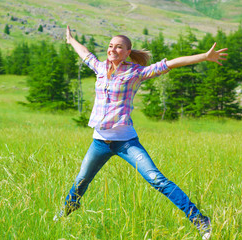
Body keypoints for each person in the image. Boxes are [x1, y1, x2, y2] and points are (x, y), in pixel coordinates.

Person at [54, 26, 228, 240]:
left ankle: (200, 220)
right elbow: (85, 53)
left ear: (128, 52)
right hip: (99, 142)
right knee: (81, 180)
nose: (112, 50)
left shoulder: (135, 73)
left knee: (157, 179)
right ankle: (64, 216)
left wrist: (204, 56)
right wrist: (71, 40)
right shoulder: (100, 68)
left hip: (126, 142)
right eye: (110, 46)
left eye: (119, 47)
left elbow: (170, 64)